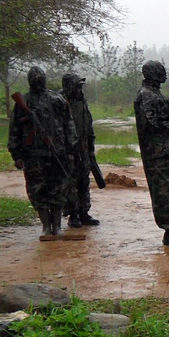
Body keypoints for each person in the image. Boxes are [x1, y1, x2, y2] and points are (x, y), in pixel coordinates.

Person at [8, 66, 77, 239]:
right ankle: (46, 227)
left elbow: (69, 126)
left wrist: (70, 152)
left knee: (58, 189)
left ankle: (57, 227)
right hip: (32, 155)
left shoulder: (57, 99)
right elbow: (14, 130)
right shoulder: (23, 102)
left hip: (57, 152)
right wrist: (16, 154)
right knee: (37, 190)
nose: (38, 82)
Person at [133, 60, 169, 247]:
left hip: (163, 151)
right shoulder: (147, 95)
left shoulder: (153, 93)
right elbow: (151, 123)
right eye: (160, 71)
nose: (164, 74)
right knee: (164, 190)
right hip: (156, 154)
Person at [61, 72, 100, 228]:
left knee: (84, 181)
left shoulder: (81, 101)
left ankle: (84, 212)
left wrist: (90, 147)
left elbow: (88, 123)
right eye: (77, 86)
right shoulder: (61, 101)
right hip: (69, 150)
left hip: (83, 148)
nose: (80, 89)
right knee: (71, 183)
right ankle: (73, 214)